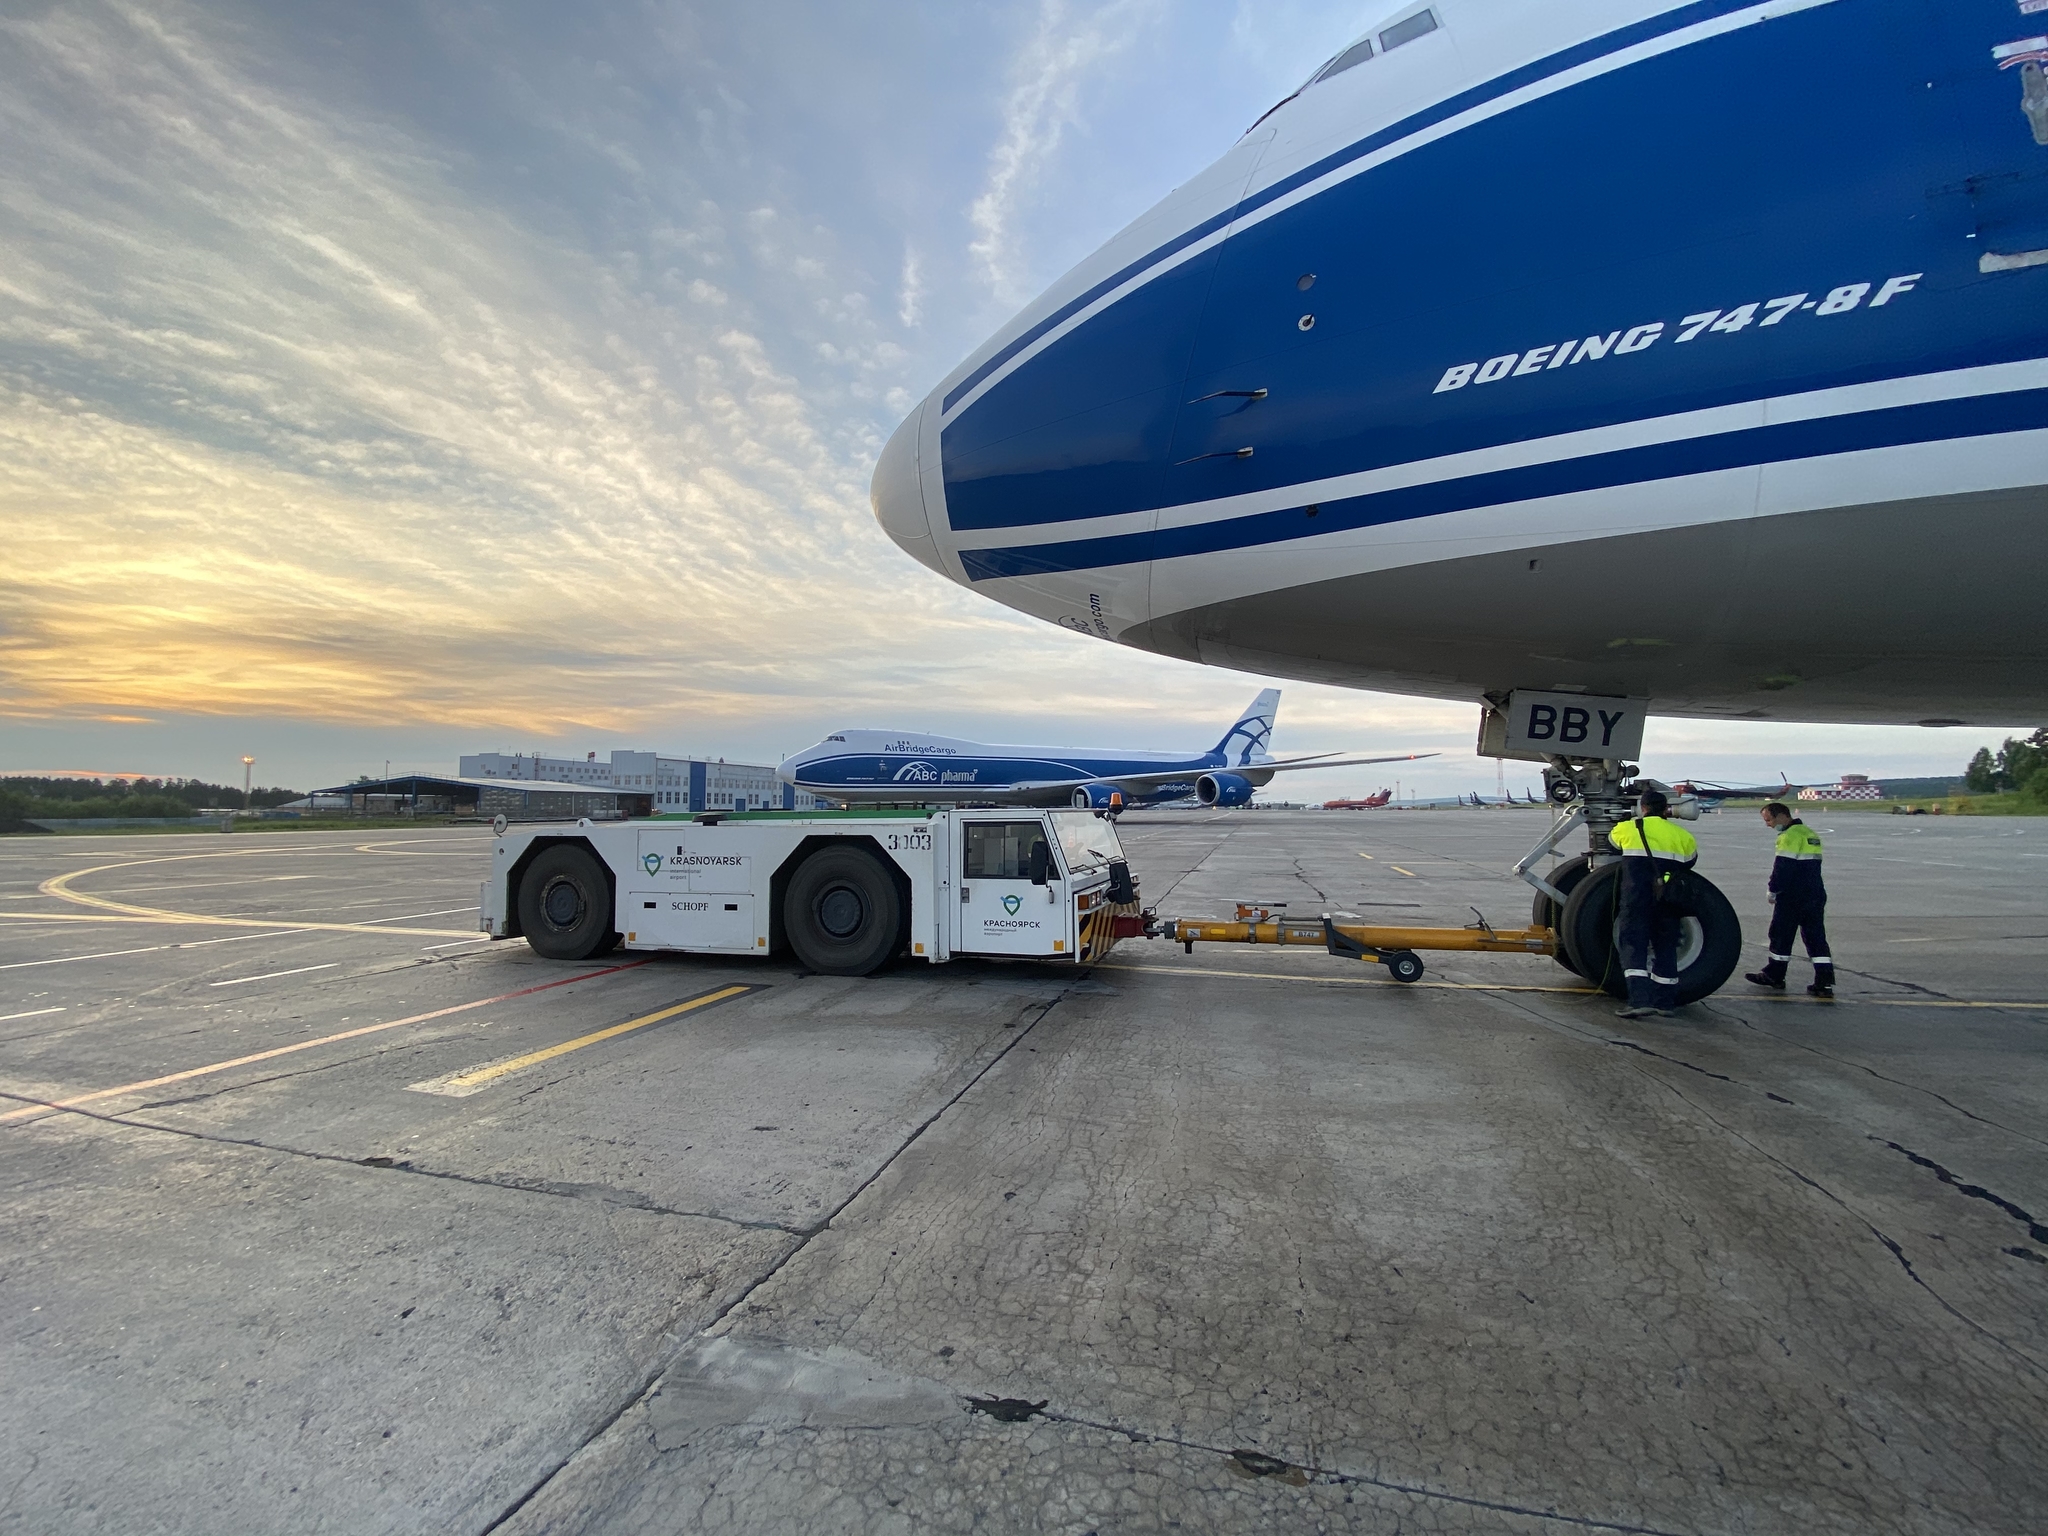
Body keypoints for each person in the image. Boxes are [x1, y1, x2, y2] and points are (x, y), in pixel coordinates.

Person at [1608, 788, 1699, 1019]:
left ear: (1643, 808)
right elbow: (1690, 861)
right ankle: (1664, 1003)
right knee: (1666, 947)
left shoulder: (1629, 828)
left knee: (1633, 945)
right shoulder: (1681, 835)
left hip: (1637, 897)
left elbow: (1612, 843)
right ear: (1667, 809)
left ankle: (1639, 1001)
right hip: (1668, 899)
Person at [1745, 801, 1833, 998]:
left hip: (1793, 895)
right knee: (1816, 938)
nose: (1767, 824)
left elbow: (1783, 868)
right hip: (1815, 894)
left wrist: (1773, 890)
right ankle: (1824, 981)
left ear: (1781, 816)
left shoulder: (1788, 837)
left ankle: (1774, 975)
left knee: (1780, 935)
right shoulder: (1810, 834)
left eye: (1768, 820)